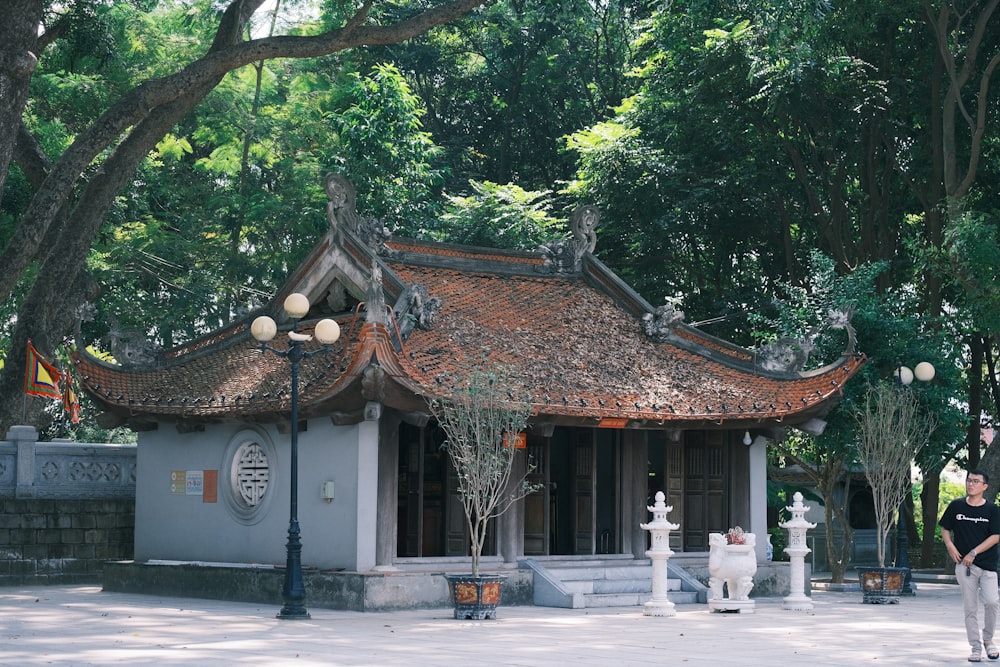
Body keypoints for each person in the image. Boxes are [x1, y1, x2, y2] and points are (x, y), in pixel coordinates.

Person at [941, 469, 1000, 662]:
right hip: (964, 568)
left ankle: (989, 641)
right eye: (968, 480)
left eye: (975, 481)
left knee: (992, 602)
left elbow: (995, 536)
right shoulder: (956, 506)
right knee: (970, 608)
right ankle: (975, 647)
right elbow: (945, 528)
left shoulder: (992, 510)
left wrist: (974, 552)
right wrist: (950, 545)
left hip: (987, 565)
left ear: (985, 486)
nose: (971, 484)